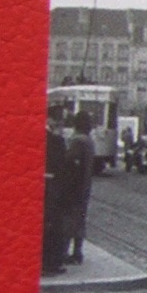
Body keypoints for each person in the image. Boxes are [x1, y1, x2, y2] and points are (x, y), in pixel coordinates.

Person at [41, 105, 72, 275]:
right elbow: (63, 168)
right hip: (52, 188)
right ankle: (51, 263)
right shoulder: (56, 141)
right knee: (52, 224)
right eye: (58, 120)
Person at [64, 111, 96, 264]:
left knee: (69, 219)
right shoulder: (89, 141)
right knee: (80, 219)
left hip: (73, 187)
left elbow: (69, 163)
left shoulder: (78, 141)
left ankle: (68, 253)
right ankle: (78, 251)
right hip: (84, 185)